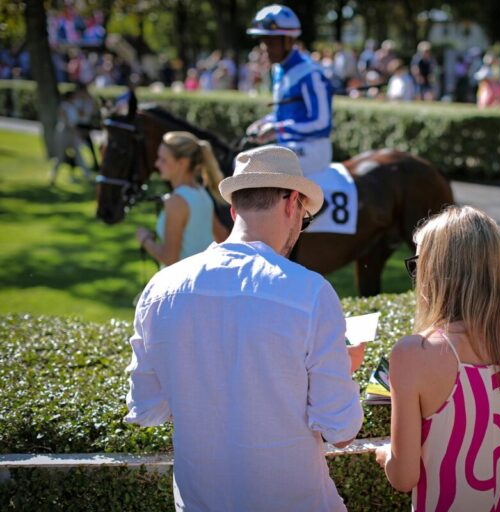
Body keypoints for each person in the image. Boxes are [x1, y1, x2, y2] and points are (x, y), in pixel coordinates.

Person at [125, 145, 365, 511]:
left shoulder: (160, 289)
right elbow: (342, 431)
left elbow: (146, 408)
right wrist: (341, 367)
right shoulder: (311, 293)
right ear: (292, 203)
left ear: (235, 211)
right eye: (304, 217)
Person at [375, 206, 500, 511]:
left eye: (418, 264)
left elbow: (404, 477)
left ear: (435, 272)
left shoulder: (413, 353)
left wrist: (387, 453)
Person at [245, 4, 334, 177]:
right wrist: (264, 123)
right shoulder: (278, 70)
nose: (265, 49)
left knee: (256, 166)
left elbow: (322, 123)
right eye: (263, 42)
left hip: (313, 150)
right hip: (289, 146)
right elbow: (286, 115)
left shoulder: (311, 73)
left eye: (271, 43)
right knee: (242, 160)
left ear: (288, 41)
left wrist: (277, 129)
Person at [135, 131, 228, 267]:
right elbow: (223, 236)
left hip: (182, 280)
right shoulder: (202, 193)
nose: (157, 164)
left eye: (163, 160)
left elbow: (170, 259)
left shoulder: (176, 202)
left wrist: (145, 239)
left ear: (182, 163)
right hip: (203, 275)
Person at [49, 90, 93, 185]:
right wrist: (76, 131)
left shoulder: (75, 106)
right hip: (64, 132)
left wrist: (85, 102)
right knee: (60, 156)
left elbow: (83, 115)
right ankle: (53, 177)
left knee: (78, 154)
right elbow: (66, 121)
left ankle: (88, 176)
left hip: (73, 132)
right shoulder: (64, 106)